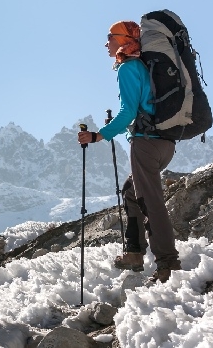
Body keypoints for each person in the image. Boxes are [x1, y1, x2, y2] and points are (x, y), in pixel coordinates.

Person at [77, 20, 181, 283]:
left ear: (124, 40)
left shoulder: (128, 67)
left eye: (110, 37)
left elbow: (128, 112)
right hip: (165, 143)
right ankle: (134, 252)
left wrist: (99, 135)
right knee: (131, 191)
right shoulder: (144, 66)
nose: (106, 43)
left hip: (146, 142)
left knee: (151, 202)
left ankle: (168, 264)